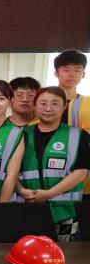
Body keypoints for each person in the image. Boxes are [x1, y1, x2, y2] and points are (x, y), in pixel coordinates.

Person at [10, 86, 90, 241]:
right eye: (43, 103)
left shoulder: (78, 135)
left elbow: (81, 173)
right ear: (35, 105)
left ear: (64, 107)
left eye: (54, 103)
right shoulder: (22, 134)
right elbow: (12, 170)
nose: (48, 108)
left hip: (65, 213)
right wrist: (21, 190)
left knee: (65, 253)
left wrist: (48, 194)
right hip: (28, 209)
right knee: (30, 251)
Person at [55, 50, 90, 199]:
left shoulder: (87, 104)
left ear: (83, 74)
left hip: (82, 173)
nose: (72, 74)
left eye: (77, 70)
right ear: (56, 73)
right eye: (66, 70)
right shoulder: (43, 102)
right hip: (50, 167)